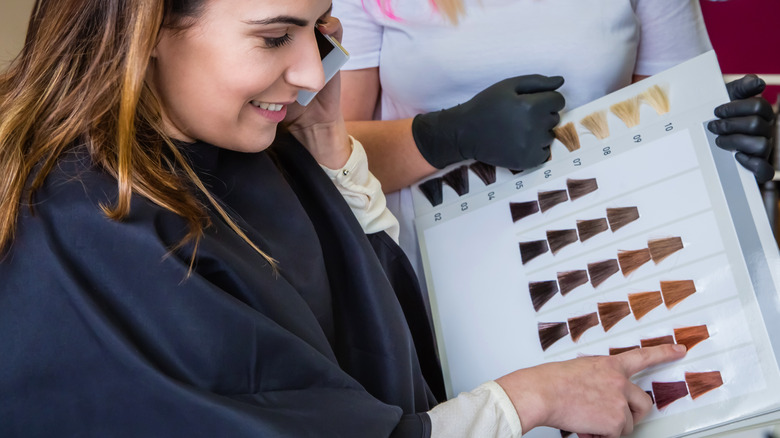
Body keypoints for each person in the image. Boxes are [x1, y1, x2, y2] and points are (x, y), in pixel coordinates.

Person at [0, 0, 689, 437]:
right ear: (149, 26)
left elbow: (375, 346)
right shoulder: (90, 225)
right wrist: (527, 401)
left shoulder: (244, 148)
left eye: (319, 30)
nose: (310, 71)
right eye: (274, 38)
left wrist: (330, 151)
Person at [333, 0, 776, 281]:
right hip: (427, 275)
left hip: (602, 259)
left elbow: (677, 117)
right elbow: (326, 157)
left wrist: (725, 142)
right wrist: (450, 135)